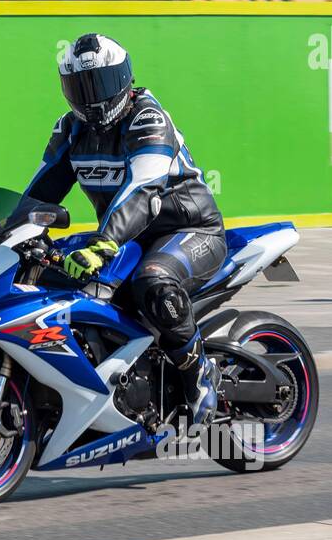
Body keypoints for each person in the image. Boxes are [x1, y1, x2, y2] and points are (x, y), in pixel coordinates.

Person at [24, 32, 226, 424]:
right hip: (125, 236)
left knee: (153, 280)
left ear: (122, 81)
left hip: (189, 230)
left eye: (97, 84)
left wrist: (104, 242)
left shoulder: (147, 118)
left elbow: (143, 190)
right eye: (79, 87)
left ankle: (198, 371)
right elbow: (39, 192)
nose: (90, 97)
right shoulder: (71, 130)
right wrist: (0, 236)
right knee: (56, 276)